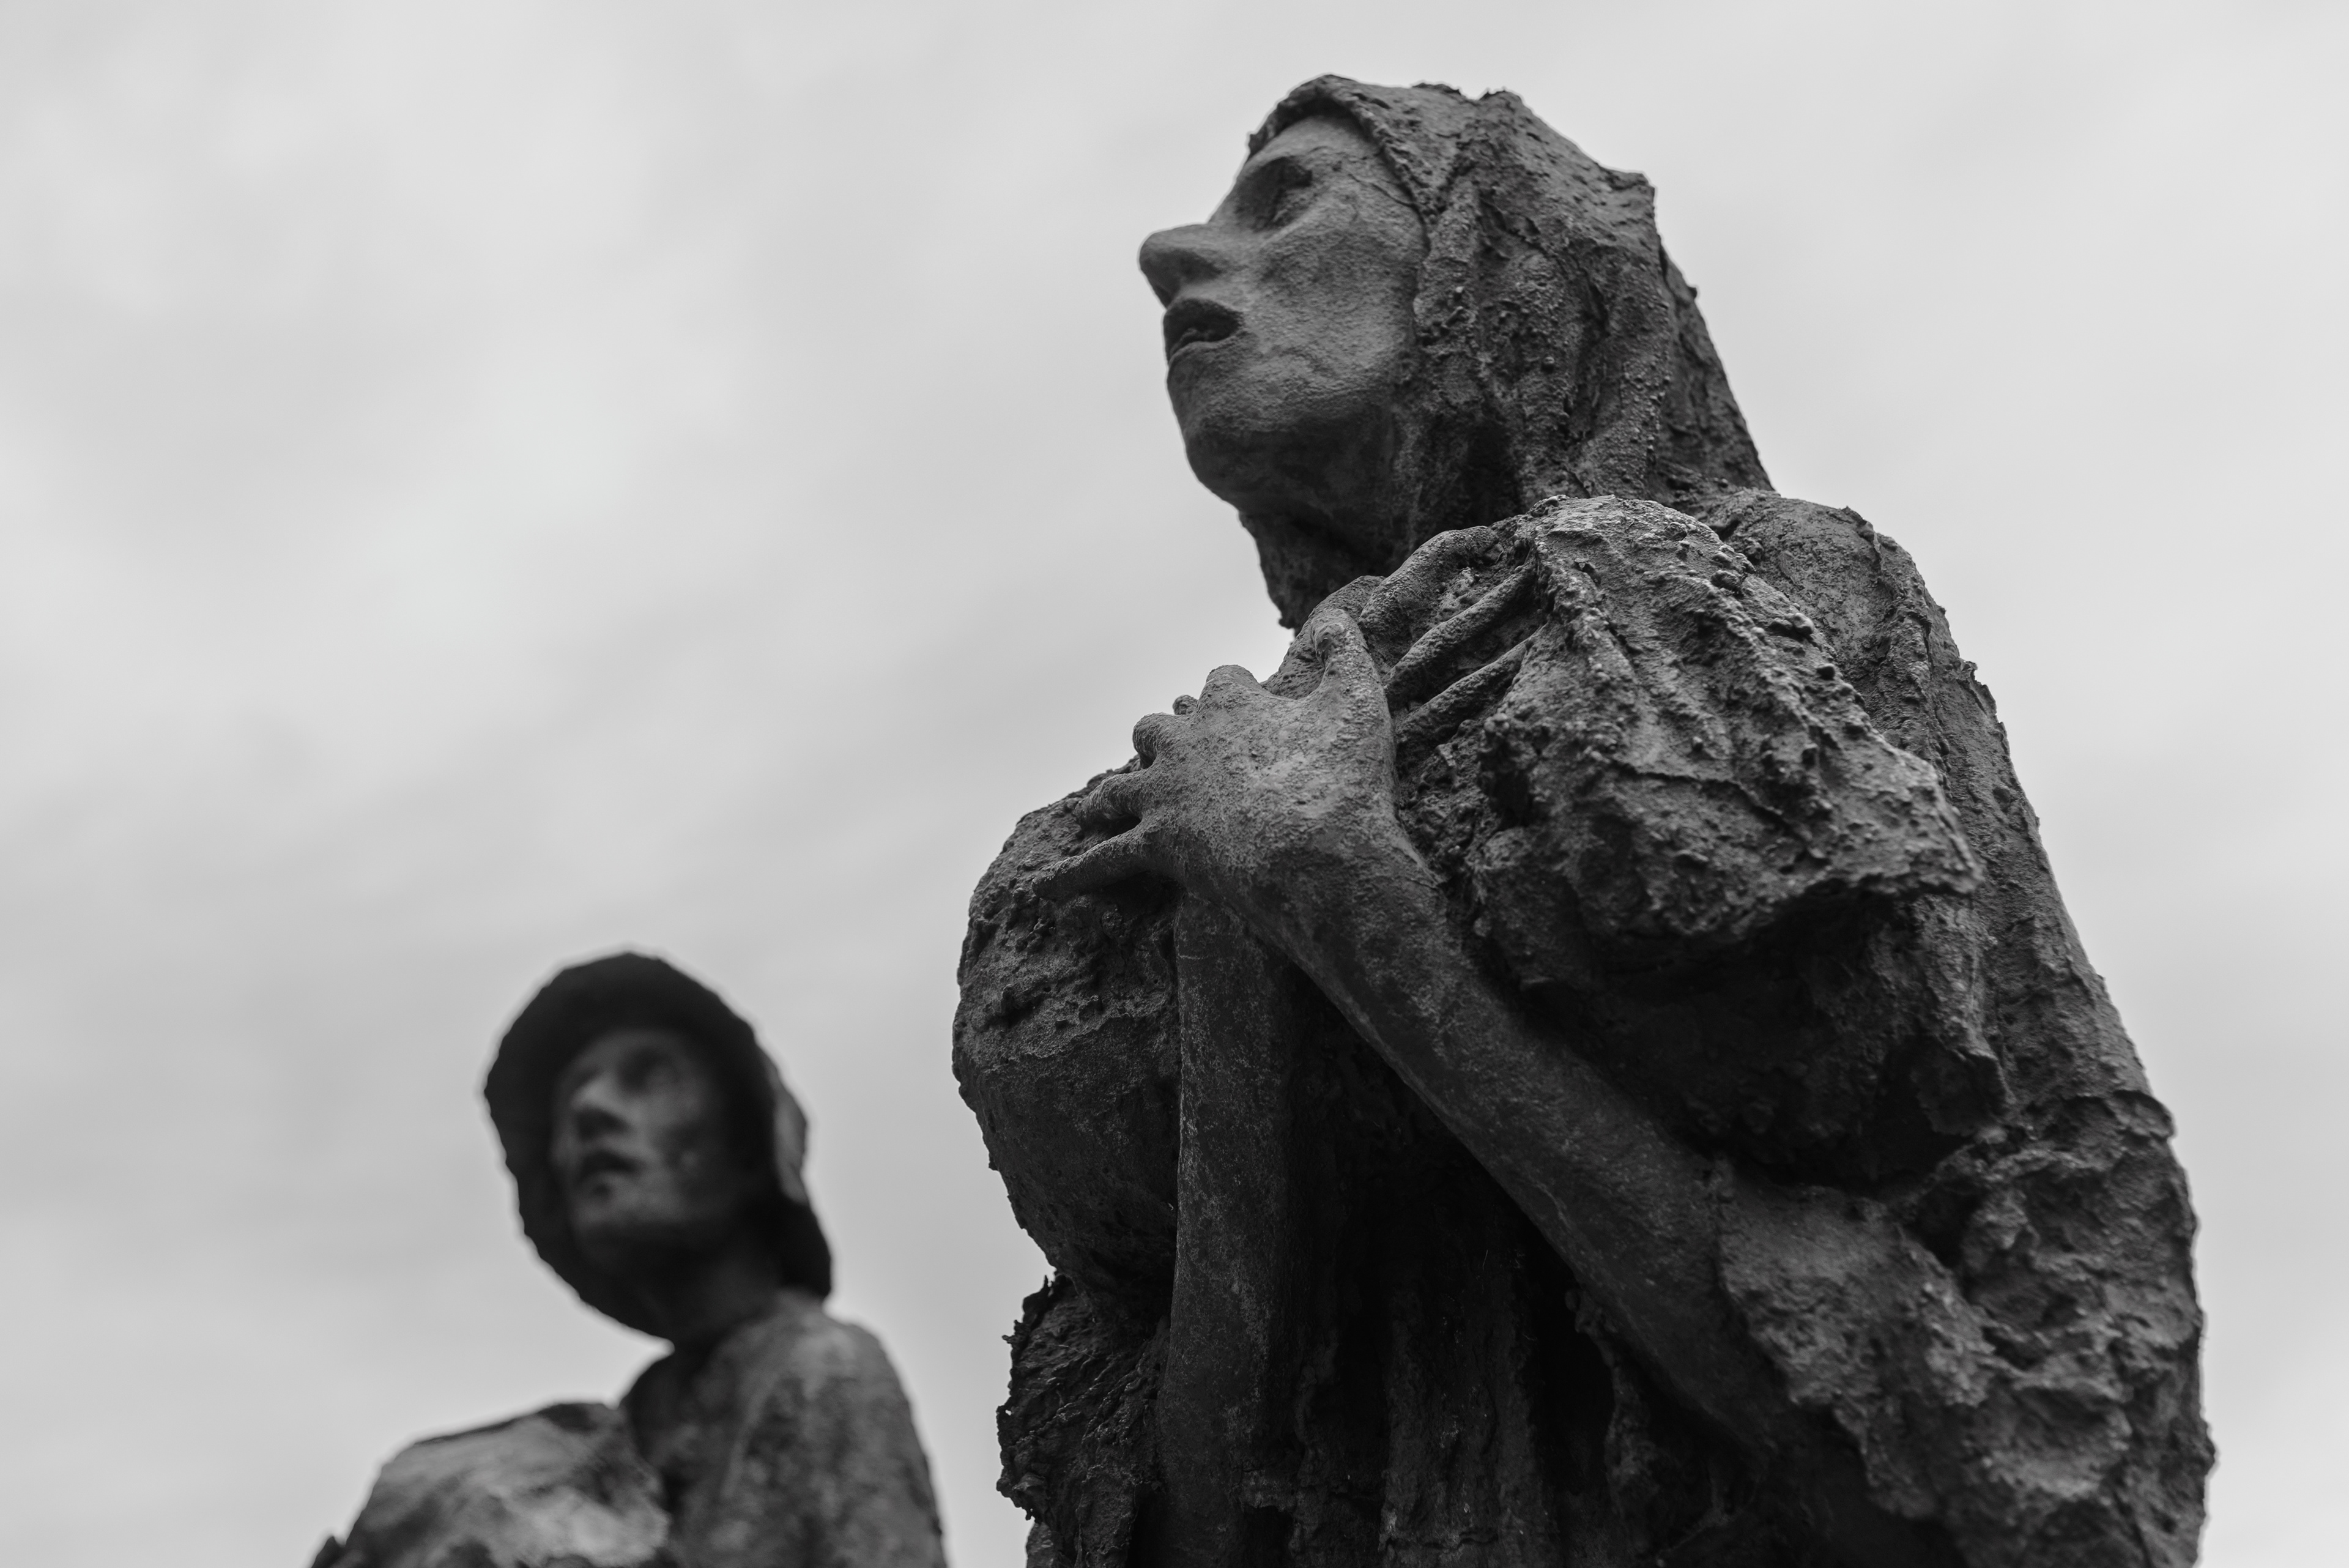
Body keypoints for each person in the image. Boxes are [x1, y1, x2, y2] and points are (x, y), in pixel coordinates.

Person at [956, 78, 2211, 1567]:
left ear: (1496, 265)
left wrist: (1356, 910)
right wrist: (1249, 914)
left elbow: (2025, 1441)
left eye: (1286, 198)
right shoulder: (1221, 765)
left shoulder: (1777, 598)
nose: (1174, 252)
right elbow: (1210, 1506)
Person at [317, 952, 947, 1568]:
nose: (591, 1109)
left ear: (751, 1149)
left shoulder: (824, 1368)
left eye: (650, 1077)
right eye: (569, 1103)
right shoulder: (612, 1437)